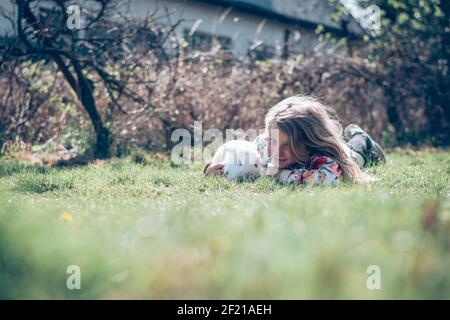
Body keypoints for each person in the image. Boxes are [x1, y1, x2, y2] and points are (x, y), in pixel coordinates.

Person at [205, 95, 386, 186]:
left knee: (356, 148)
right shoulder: (263, 145)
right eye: (274, 141)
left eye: (287, 146)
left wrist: (276, 175)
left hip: (353, 154)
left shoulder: (321, 156)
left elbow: (327, 179)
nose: (276, 152)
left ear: (308, 143)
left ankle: (361, 136)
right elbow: (243, 160)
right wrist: (213, 168)